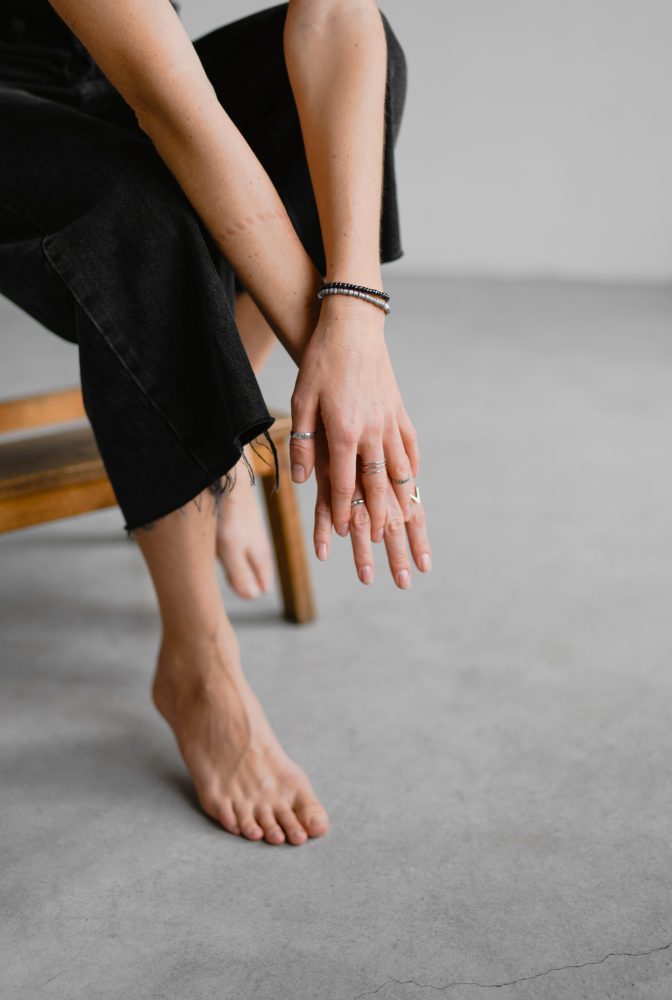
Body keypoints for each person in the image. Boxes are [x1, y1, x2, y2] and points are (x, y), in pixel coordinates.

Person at [0, 0, 432, 845]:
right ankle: (197, 663)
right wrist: (341, 370)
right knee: (141, 208)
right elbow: (173, 114)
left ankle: (213, 450)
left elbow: (337, 18)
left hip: (98, 74)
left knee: (372, 57)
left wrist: (357, 322)